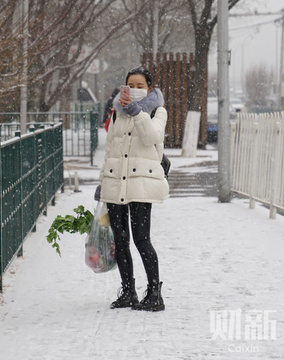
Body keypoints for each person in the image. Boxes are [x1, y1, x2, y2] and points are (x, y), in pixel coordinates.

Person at [96, 67, 169, 311]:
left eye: (141, 86)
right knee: (121, 240)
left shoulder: (158, 111)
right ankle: (128, 291)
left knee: (141, 239)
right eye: (131, 85)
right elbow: (110, 150)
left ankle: (154, 295)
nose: (135, 90)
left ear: (149, 88)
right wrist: (102, 181)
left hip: (140, 184)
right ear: (124, 87)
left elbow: (151, 137)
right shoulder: (117, 113)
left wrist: (137, 112)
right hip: (116, 181)